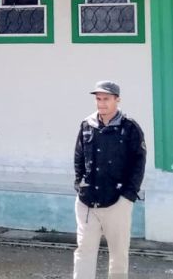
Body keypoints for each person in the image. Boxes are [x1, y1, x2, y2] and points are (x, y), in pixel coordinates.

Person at [73, 80, 146, 278]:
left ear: (117, 100)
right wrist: (80, 185)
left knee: (118, 254)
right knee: (84, 252)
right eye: (98, 99)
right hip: (88, 201)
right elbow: (79, 158)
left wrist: (129, 195)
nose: (101, 103)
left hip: (118, 201)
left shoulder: (130, 127)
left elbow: (138, 163)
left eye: (106, 99)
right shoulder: (87, 125)